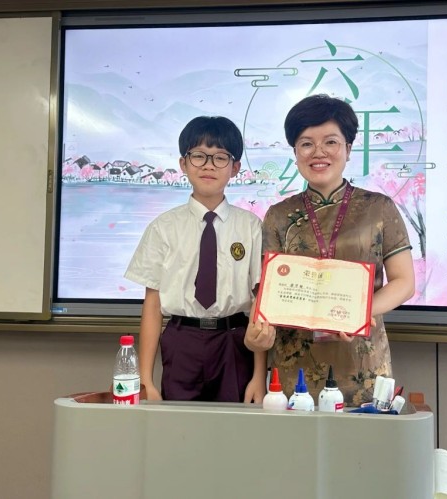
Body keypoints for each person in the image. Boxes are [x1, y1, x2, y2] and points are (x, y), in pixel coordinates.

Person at [245, 94, 415, 406]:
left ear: (348, 149)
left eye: (331, 142)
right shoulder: (279, 215)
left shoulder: (379, 208)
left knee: (362, 437)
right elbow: (267, 293)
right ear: (295, 152)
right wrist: (256, 336)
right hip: (293, 364)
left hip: (361, 360)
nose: (318, 152)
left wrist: (358, 314)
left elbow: (404, 282)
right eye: (306, 144)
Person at [125, 116, 266, 404]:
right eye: (199, 156)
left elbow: (259, 303)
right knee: (179, 426)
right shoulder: (163, 227)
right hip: (182, 340)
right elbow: (152, 304)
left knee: (235, 426)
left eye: (220, 157)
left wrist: (259, 375)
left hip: (234, 340)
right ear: (183, 164)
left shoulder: (251, 227)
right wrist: (145, 378)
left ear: (235, 168)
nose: (208, 165)